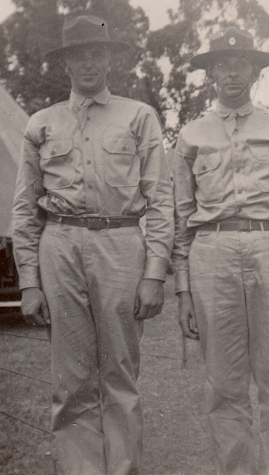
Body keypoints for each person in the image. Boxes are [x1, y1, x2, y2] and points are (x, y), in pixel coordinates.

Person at [12, 15, 173, 475]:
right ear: (64, 63)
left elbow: (160, 199)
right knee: (71, 382)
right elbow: (25, 207)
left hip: (121, 244)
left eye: (96, 52)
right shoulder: (42, 123)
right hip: (59, 244)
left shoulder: (138, 115)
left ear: (109, 58)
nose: (87, 62)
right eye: (76, 54)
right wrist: (29, 282)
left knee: (120, 375)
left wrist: (154, 273)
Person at [172, 26, 269, 475]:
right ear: (210, 72)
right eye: (221, 64)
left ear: (253, 70)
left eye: (240, 64)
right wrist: (182, 291)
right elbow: (181, 217)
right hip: (211, 252)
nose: (231, 72)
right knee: (223, 386)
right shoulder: (191, 136)